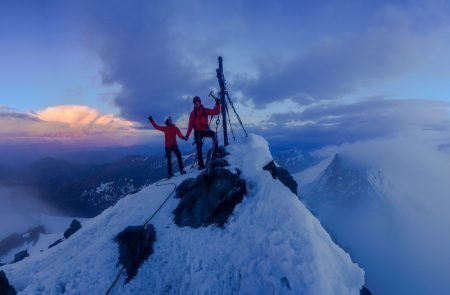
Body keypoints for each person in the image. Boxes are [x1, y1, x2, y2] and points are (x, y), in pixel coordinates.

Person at [185, 95, 220, 169]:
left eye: (197, 102)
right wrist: (187, 135)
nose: (196, 103)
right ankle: (201, 164)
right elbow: (190, 125)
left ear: (200, 102)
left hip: (204, 130)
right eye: (195, 102)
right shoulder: (192, 113)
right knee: (199, 148)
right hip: (198, 132)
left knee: (214, 135)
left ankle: (216, 152)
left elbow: (215, 112)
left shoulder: (205, 110)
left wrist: (217, 104)